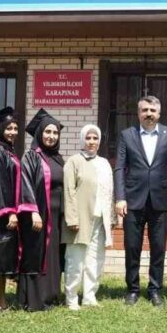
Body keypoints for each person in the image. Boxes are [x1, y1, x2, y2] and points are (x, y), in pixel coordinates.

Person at [113, 96, 167, 307]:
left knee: (158, 247)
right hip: (133, 200)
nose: (149, 114)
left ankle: (155, 290)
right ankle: (132, 289)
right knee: (132, 247)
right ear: (138, 113)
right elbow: (120, 167)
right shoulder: (127, 135)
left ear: (159, 114)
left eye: (152, 110)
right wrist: (120, 197)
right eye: (144, 110)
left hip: (160, 200)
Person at [0, 107, 38, 312]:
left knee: (3, 259)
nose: (13, 132)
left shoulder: (6, 150)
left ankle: (1, 299)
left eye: (15, 128)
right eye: (8, 128)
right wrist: (9, 211)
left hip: (5, 214)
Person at [63, 124, 115, 310]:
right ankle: (71, 298)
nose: (92, 142)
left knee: (95, 259)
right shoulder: (74, 161)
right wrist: (72, 218)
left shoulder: (104, 163)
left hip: (100, 220)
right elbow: (69, 191)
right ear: (81, 140)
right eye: (88, 138)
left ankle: (89, 296)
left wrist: (111, 218)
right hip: (80, 219)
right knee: (76, 260)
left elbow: (110, 192)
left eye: (95, 138)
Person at [18, 109, 66, 311]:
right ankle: (35, 299)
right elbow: (26, 184)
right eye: (48, 132)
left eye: (55, 133)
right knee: (37, 255)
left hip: (55, 217)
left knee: (53, 255)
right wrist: (33, 211)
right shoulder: (31, 157)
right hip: (38, 216)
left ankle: (51, 295)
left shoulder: (57, 158)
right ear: (39, 133)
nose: (51, 136)